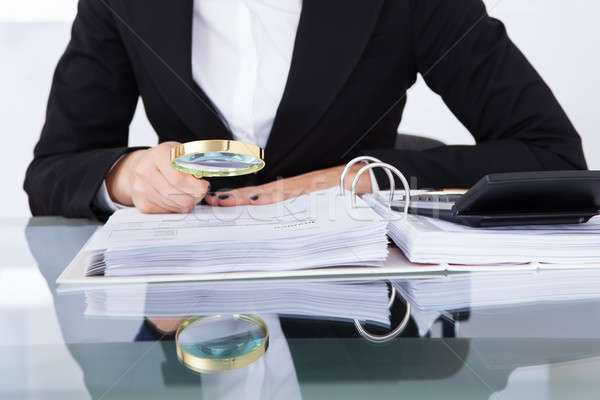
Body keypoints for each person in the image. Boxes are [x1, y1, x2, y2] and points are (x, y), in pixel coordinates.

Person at [24, 0, 586, 220]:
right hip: (183, 319)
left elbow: (553, 156)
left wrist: (358, 178)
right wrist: (127, 175)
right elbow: (52, 170)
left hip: (365, 323)